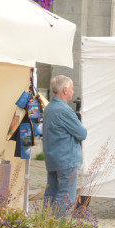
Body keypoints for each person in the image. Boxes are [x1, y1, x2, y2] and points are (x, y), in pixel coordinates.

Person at [43, 75, 88, 213]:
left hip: (53, 158)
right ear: (65, 90)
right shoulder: (64, 110)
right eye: (72, 88)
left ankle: (46, 225)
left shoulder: (49, 108)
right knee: (65, 196)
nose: (73, 92)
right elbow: (82, 133)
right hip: (66, 159)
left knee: (51, 194)